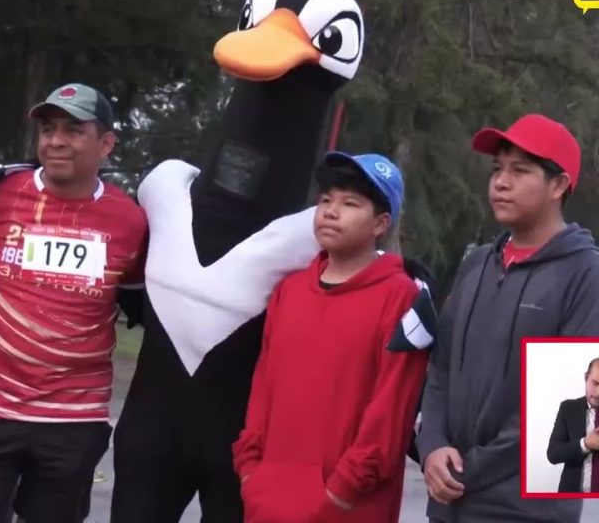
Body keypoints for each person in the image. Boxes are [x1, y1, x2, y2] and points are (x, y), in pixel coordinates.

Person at [0, 83, 148, 523]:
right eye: (49, 129)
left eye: (73, 130)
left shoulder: (131, 220)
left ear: (107, 143)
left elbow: (139, 295)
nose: (55, 141)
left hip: (72, 420)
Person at [417, 114, 599, 522]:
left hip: (528, 510)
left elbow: (566, 406)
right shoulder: (478, 264)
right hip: (450, 502)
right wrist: (432, 447)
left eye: (520, 171)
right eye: (497, 169)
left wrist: (465, 469)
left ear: (559, 185)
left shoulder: (586, 274)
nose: (500, 182)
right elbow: (439, 370)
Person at [233, 152, 429, 523]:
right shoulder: (289, 291)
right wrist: (249, 469)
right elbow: (263, 386)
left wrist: (341, 491)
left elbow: (391, 409)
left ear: (380, 224)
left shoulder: (403, 297)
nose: (331, 211)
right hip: (267, 497)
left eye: (350, 203)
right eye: (326, 200)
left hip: (348, 504)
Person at [546, 357, 599, 493]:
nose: (598, 393)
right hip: (571, 496)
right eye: (595, 383)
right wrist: (585, 444)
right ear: (586, 377)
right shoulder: (568, 408)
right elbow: (553, 454)